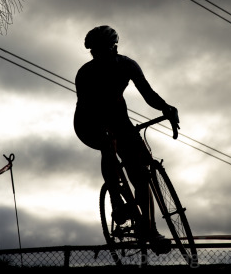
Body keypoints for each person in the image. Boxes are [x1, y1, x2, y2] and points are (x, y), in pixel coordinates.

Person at [73, 25, 179, 248]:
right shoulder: (85, 73)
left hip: (119, 120)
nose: (98, 55)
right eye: (94, 52)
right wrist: (106, 132)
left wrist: (166, 108)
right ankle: (115, 200)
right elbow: (87, 107)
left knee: (140, 173)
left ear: (114, 48)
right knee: (108, 143)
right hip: (88, 122)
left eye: (103, 50)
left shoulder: (128, 65)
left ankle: (149, 228)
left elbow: (148, 94)